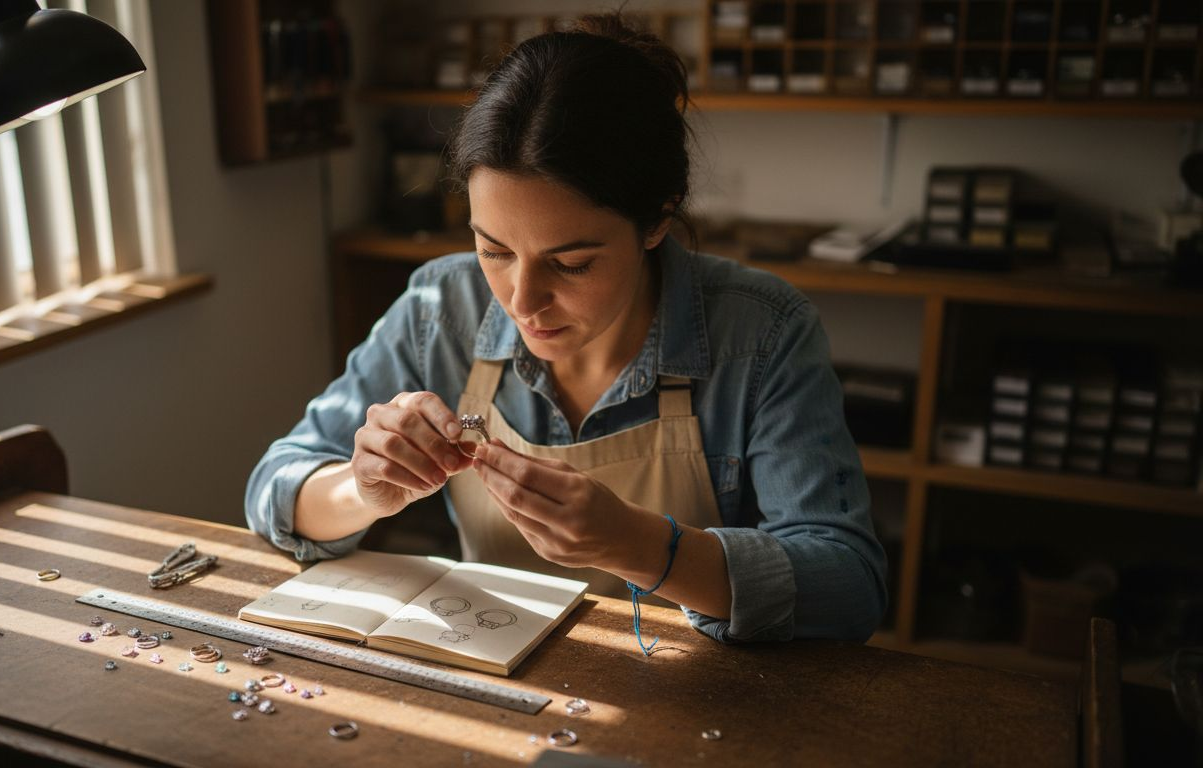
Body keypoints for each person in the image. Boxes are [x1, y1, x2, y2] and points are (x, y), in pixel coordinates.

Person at [246, 15, 887, 646]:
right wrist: (362, 489)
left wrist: (645, 548)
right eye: (493, 250)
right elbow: (274, 488)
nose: (522, 302)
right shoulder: (441, 309)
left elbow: (851, 586)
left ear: (657, 222)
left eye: (571, 263)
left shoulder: (761, 332)